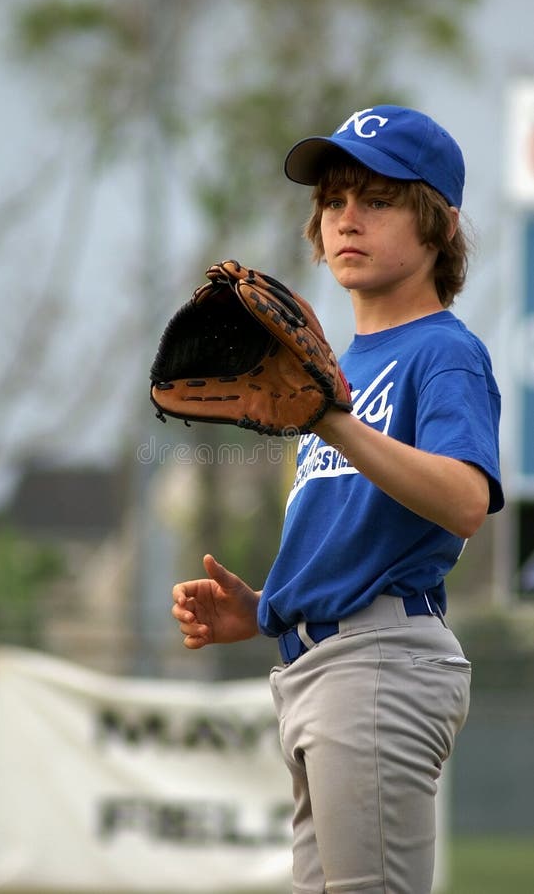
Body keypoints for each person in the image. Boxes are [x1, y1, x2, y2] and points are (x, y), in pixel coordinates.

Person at [171, 104, 504, 894]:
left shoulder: (443, 353)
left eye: (377, 199)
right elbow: (360, 529)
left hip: (380, 664)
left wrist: (333, 419)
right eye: (331, 201)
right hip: (319, 668)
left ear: (440, 225)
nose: (346, 218)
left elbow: (463, 501)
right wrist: (267, 609)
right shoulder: (334, 367)